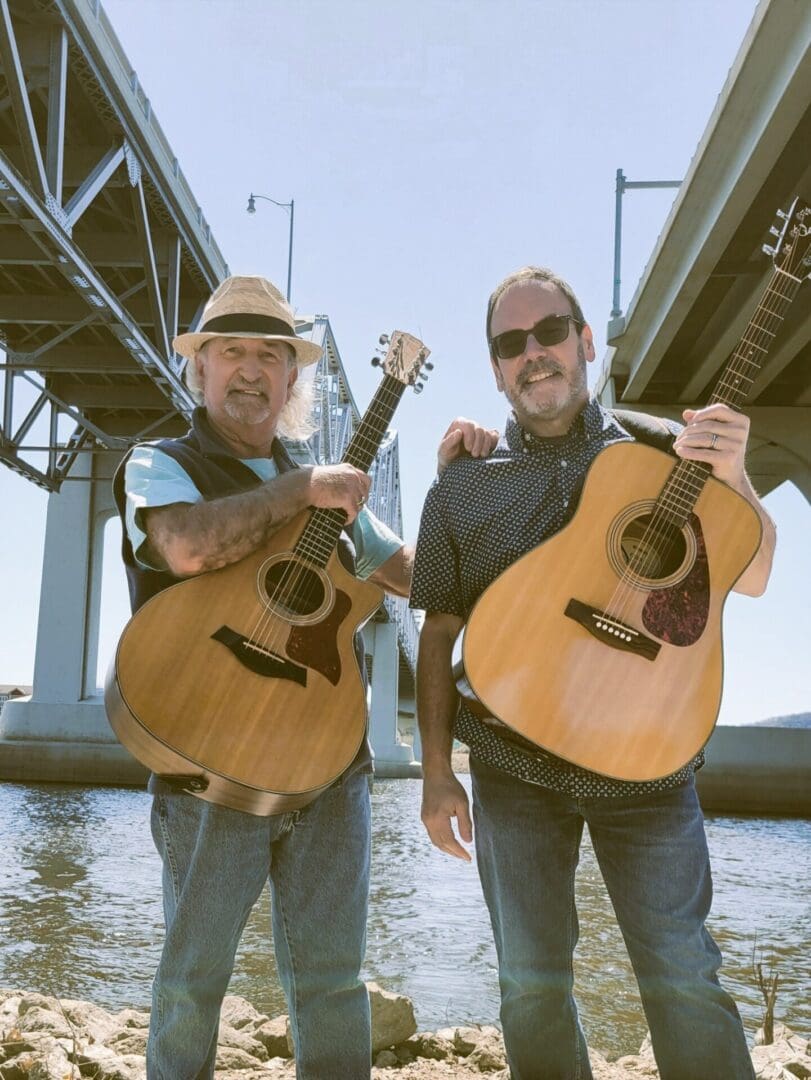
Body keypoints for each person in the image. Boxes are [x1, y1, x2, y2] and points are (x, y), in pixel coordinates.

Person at [113, 274, 496, 1080]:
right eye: (231, 353)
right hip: (209, 768)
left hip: (329, 773)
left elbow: (420, 576)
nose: (250, 370)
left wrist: (455, 489)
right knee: (191, 986)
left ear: (293, 380)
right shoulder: (161, 462)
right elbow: (184, 547)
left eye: (270, 356)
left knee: (330, 984)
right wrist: (298, 489)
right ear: (201, 369)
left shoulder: (336, 500)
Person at [410, 265, 777, 1080]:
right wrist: (436, 774)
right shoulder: (460, 487)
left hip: (649, 763)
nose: (532, 354)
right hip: (511, 767)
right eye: (511, 345)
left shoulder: (662, 454)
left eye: (548, 334)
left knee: (683, 974)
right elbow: (437, 631)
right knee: (529, 989)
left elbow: (754, 575)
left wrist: (736, 475)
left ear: (584, 341)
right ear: (496, 368)